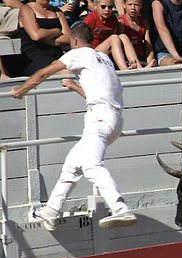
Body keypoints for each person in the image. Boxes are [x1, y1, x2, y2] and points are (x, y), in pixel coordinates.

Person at [11, 22, 137, 231]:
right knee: (71, 166)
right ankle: (51, 211)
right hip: (113, 119)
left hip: (99, 119)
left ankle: (119, 207)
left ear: (75, 41)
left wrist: (22, 90)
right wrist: (75, 86)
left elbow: (44, 72)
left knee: (91, 165)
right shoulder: (103, 58)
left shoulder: (79, 53)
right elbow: (99, 94)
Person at [16, 0, 71, 76]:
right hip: (34, 56)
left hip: (57, 55)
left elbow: (68, 38)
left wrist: (46, 39)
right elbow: (36, 36)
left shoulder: (57, 11)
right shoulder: (27, 9)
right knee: (64, 72)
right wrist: (56, 31)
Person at [84, 0, 142, 69]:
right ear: (96, 6)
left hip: (106, 52)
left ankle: (138, 66)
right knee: (114, 38)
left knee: (123, 36)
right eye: (103, 7)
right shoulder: (90, 19)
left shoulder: (113, 19)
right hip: (92, 53)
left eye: (110, 7)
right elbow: (83, 41)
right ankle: (124, 69)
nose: (107, 10)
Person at [118, 0, 156, 66]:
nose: (133, 7)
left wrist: (150, 60)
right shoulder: (121, 22)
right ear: (124, 5)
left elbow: (148, 45)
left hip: (140, 56)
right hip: (127, 58)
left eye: (136, 5)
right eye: (130, 4)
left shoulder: (144, 22)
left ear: (141, 5)